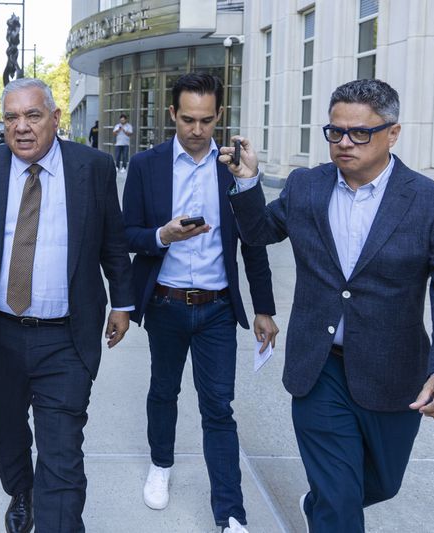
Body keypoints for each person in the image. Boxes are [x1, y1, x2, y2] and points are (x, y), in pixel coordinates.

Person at [223, 79, 434, 533]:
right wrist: (247, 183)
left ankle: (322, 500)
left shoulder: (430, 200)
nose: (344, 143)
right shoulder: (307, 186)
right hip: (319, 367)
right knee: (341, 504)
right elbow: (261, 231)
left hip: (393, 371)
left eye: (359, 133)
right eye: (335, 132)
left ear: (393, 133)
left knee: (382, 484)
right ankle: (329, 504)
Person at [0, 78, 134, 533]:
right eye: (11, 118)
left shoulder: (93, 168)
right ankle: (21, 491)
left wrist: (123, 303)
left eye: (33, 116)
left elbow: (113, 242)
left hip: (66, 335)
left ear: (56, 119)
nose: (21, 128)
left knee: (62, 453)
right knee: (7, 431)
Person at [122, 72, 278, 533]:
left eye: (206, 120)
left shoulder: (232, 169)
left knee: (218, 408)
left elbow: (254, 241)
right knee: (162, 392)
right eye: (188, 119)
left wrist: (264, 307)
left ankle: (230, 514)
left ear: (219, 117)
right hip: (166, 304)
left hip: (216, 309)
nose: (196, 129)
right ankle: (161, 464)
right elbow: (126, 235)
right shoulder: (147, 166)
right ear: (172, 114)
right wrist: (161, 235)